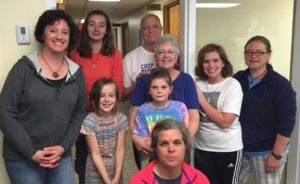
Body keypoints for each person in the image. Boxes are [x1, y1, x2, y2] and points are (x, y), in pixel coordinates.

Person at [0, 9, 85, 184]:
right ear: (42, 34)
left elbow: (79, 113)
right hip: (22, 158)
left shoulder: (77, 73)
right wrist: (30, 151)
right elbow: (5, 112)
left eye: (65, 32)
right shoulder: (23, 69)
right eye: (53, 30)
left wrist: (63, 147)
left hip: (60, 157)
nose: (59, 36)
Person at [129, 34, 200, 169]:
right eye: (161, 52)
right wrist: (136, 139)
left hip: (177, 148)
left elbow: (194, 116)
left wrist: (183, 143)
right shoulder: (145, 80)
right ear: (155, 57)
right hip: (148, 147)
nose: (166, 55)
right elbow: (134, 114)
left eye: (170, 52)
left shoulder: (186, 80)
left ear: (177, 56)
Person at [69, 9, 123, 183]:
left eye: (102, 25)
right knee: (84, 160)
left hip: (107, 116)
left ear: (107, 29)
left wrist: (105, 109)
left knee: (109, 158)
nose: (97, 29)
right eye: (92, 24)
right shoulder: (75, 54)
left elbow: (118, 87)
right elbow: (71, 88)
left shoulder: (114, 54)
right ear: (85, 29)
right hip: (82, 115)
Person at [233, 35, 297, 184]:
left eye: (259, 52)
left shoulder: (280, 85)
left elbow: (287, 122)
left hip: (267, 151)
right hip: (240, 149)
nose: (253, 56)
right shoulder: (238, 79)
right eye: (249, 52)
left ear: (268, 55)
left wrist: (276, 155)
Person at [194, 43, 243, 184]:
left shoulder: (232, 85)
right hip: (202, 148)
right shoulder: (198, 83)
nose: (211, 65)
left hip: (227, 149)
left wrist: (201, 99)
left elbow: (225, 122)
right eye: (206, 61)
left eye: (215, 60)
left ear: (223, 63)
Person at [133, 70, 189, 168]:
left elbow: (184, 135)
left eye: (163, 87)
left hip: (175, 160)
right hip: (150, 161)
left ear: (170, 89)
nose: (159, 91)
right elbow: (143, 140)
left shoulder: (180, 108)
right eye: (155, 87)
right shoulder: (142, 110)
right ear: (149, 90)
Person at [129, 119, 210, 184]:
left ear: (185, 146)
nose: (171, 149)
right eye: (164, 144)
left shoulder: (200, 179)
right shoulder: (138, 181)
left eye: (177, 143)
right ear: (155, 148)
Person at [80, 78, 128, 184]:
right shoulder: (90, 121)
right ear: (94, 98)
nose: (107, 99)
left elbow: (120, 150)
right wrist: (107, 181)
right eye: (102, 96)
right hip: (95, 171)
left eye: (111, 95)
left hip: (115, 170)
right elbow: (95, 154)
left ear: (116, 98)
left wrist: (117, 177)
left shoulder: (121, 119)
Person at [122, 13, 163, 100]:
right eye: (146, 28)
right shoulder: (129, 59)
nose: (151, 30)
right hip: (139, 111)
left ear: (161, 29)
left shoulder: (171, 56)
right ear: (140, 32)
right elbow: (123, 97)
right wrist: (138, 83)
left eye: (155, 26)